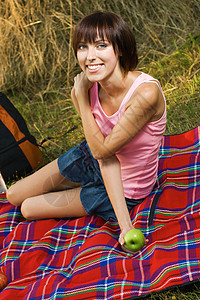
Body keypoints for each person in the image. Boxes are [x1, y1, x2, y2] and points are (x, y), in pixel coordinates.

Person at [6, 11, 166, 250]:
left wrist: (126, 226)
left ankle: (83, 192)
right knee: (13, 196)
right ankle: (76, 185)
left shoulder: (145, 94)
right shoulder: (88, 89)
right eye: (83, 47)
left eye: (101, 46)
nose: (90, 57)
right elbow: (96, 149)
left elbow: (105, 154)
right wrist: (81, 95)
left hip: (126, 184)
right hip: (92, 158)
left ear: (120, 49)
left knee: (28, 208)